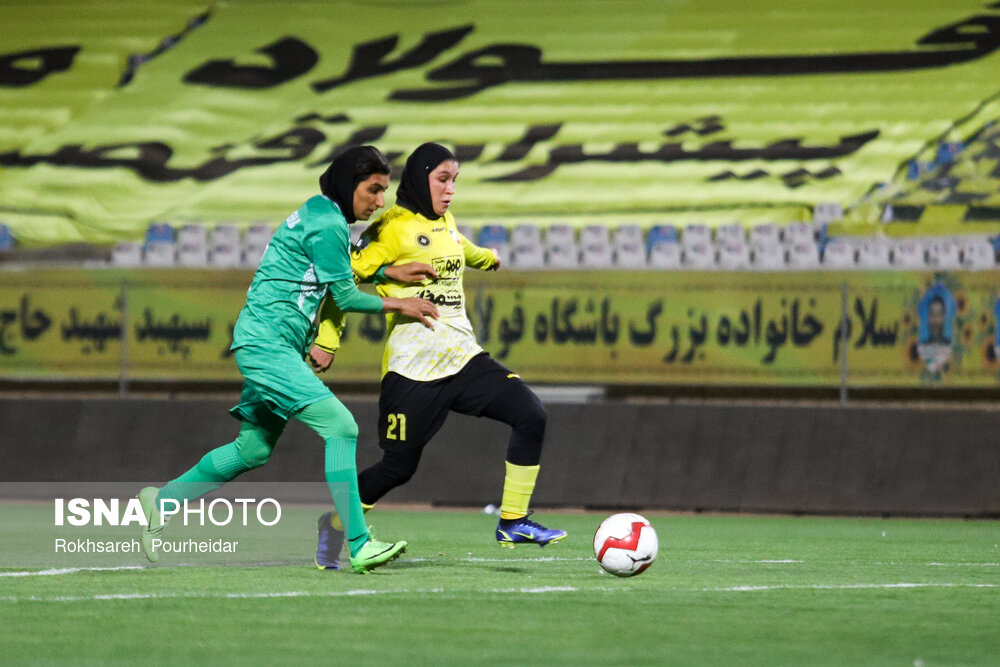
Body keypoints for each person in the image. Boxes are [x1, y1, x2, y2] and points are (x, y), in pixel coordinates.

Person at [136, 146, 439, 574]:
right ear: (349, 183)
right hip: (267, 345)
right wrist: (401, 304)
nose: (378, 201)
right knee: (341, 426)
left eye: (383, 191)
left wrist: (388, 273)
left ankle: (163, 500)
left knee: (253, 448)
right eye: (372, 190)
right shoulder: (328, 223)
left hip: (271, 343)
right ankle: (359, 543)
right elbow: (346, 295)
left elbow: (335, 267)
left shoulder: (320, 215)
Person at [308, 142, 566, 569]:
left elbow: (457, 247)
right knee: (397, 469)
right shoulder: (389, 227)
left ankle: (514, 519)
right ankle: (335, 524)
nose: (449, 191)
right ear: (419, 178)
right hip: (412, 371)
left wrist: (487, 258)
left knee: (531, 413)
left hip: (463, 358)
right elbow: (342, 281)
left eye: (454, 181)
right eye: (442, 180)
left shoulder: (444, 221)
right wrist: (328, 341)